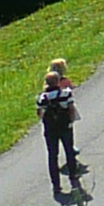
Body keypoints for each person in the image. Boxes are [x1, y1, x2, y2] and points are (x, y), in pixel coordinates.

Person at [37, 59, 87, 198]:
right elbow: (71, 108)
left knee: (53, 156)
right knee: (69, 150)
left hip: (50, 129)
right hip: (65, 126)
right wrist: (70, 121)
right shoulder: (65, 94)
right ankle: (73, 176)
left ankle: (56, 185)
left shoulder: (41, 98)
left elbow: (40, 113)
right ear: (58, 82)